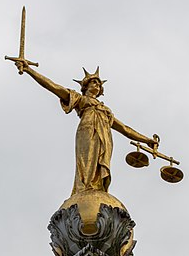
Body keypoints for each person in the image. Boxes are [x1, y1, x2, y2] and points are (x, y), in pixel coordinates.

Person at [15, 61, 156, 195]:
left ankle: (98, 188)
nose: (97, 85)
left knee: (100, 164)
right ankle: (85, 188)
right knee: (86, 162)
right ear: (86, 86)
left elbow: (125, 129)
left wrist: (146, 140)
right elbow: (53, 87)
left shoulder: (105, 110)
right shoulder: (80, 99)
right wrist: (29, 70)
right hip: (87, 131)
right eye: (94, 82)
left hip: (105, 138)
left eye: (99, 84)